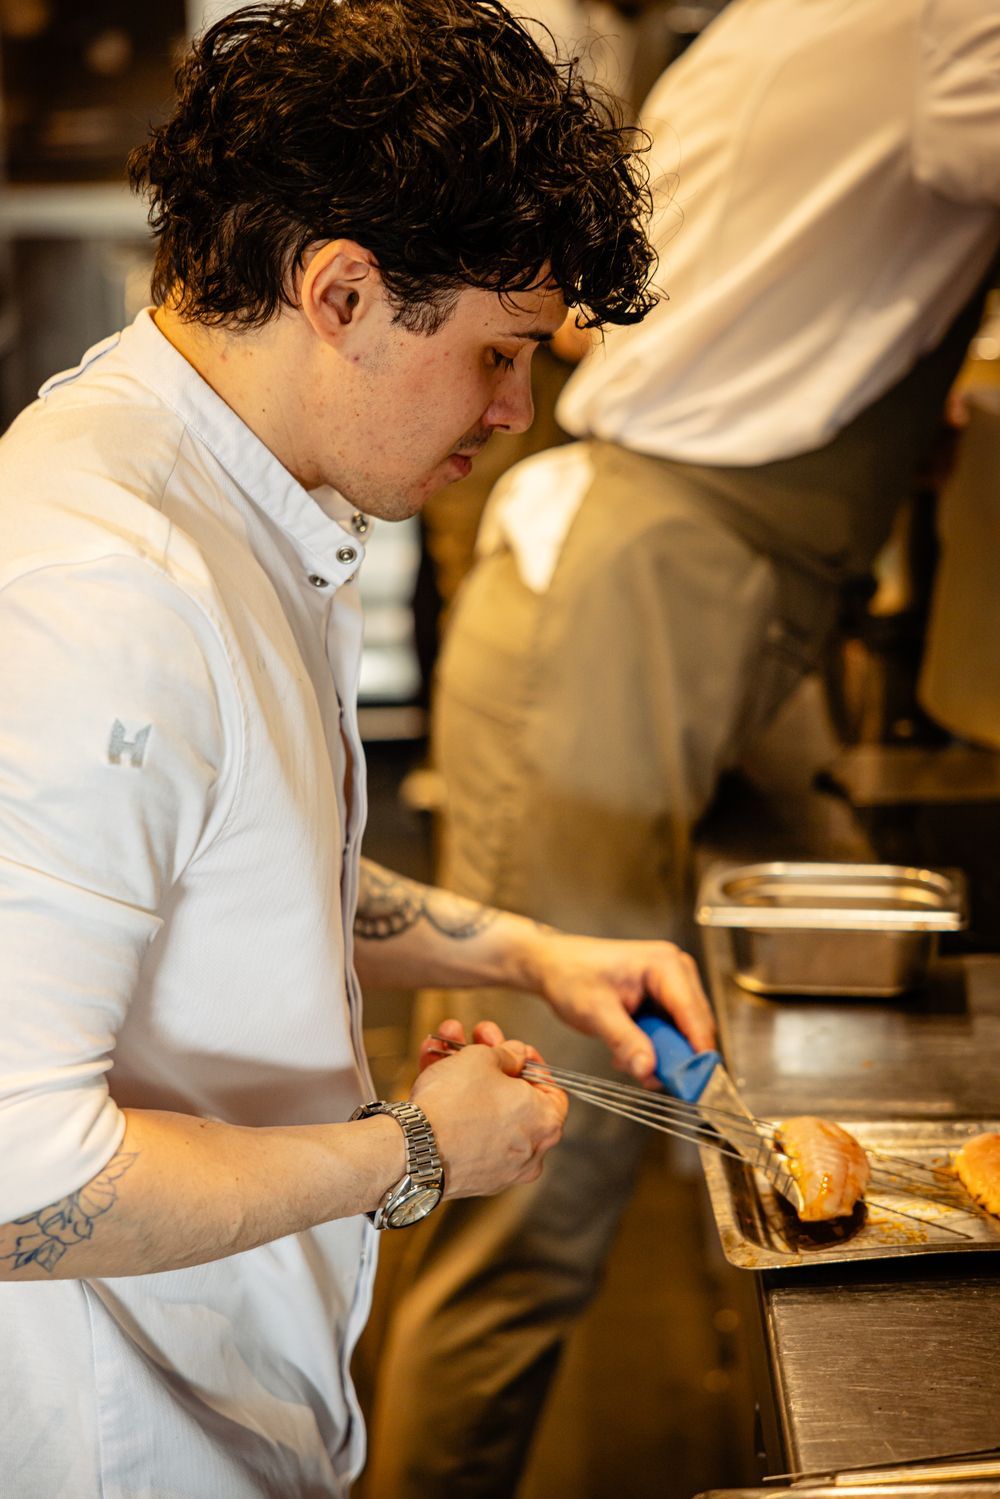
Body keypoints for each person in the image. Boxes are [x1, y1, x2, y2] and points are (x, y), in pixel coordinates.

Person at [0, 3, 721, 1494]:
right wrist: (412, 1156)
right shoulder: (104, 592)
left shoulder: (237, 494)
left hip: (236, 1390)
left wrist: (523, 951)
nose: (518, 413)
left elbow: (242, 860)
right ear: (340, 291)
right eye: (498, 356)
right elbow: (17, 1182)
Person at [366, 1, 1000, 1494]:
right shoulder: (942, 27)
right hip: (637, 586)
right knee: (545, 1168)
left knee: (813, 1021)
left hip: (722, 582)